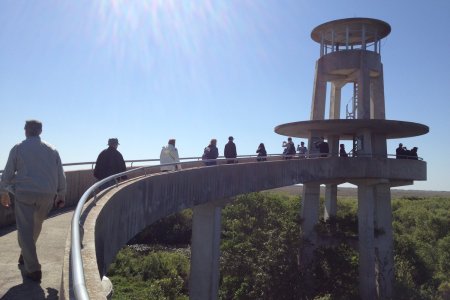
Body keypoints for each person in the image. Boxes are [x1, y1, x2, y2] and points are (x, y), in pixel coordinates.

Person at [0, 120, 66, 282]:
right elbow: (60, 174)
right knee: (36, 226)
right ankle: (25, 254)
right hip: (47, 194)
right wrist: (61, 195)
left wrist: (3, 192)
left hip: (25, 193)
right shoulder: (52, 150)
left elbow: (7, 174)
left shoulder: (18, 148)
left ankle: (33, 268)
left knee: (24, 230)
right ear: (40, 131)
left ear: (25, 131)